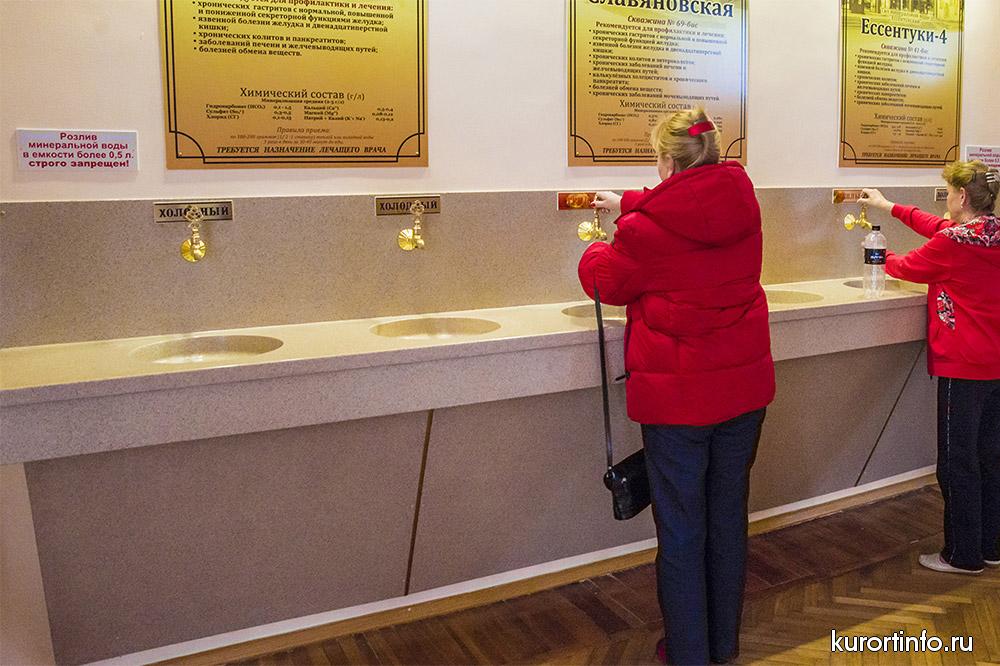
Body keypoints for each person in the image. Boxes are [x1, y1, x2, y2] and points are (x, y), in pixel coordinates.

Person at [578, 108, 775, 665]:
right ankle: (722, 645)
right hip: (743, 394)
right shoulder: (742, 201)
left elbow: (606, 282)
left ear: (666, 160)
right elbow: (689, 211)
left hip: (679, 404)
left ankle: (687, 652)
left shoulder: (642, 232)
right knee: (727, 519)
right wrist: (630, 203)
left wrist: (596, 244)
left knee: (683, 530)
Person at [861, 161, 1000, 575]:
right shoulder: (989, 233)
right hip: (995, 365)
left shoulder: (954, 244)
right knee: (991, 457)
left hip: (964, 366)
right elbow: (937, 227)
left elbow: (906, 266)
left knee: (957, 463)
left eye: (950, 192)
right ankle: (991, 546)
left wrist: (877, 251)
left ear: (961, 196)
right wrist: (887, 206)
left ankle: (962, 555)